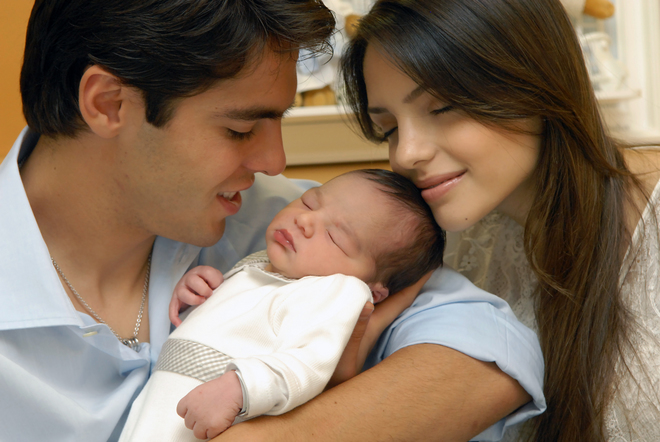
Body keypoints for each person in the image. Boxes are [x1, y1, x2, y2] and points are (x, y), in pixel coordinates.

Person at [1, 0, 544, 441]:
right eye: (240, 130)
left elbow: (494, 352)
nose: (273, 161)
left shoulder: (285, 223)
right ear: (108, 103)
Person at [339, 0, 660, 440]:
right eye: (390, 128)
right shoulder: (434, 242)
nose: (406, 153)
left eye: (443, 107)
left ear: (535, 82)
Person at [120, 169, 446, 441]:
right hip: (162, 405)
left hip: (216, 412)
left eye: (335, 236)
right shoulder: (264, 264)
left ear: (373, 291)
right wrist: (199, 290)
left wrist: (241, 388)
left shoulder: (340, 290)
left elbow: (308, 363)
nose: (305, 220)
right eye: (309, 201)